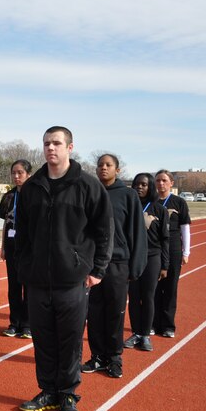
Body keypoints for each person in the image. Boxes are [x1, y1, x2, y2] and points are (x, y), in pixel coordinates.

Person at [15, 126, 112, 411]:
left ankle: (68, 393)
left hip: (73, 278)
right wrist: (24, 267)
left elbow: (104, 231)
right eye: (46, 144)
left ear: (70, 147)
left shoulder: (88, 185)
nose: (50, 148)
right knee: (43, 338)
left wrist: (97, 270)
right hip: (38, 280)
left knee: (69, 340)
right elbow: (23, 234)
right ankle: (47, 391)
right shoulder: (31, 188)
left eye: (56, 143)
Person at [82, 154, 146, 379]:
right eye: (100, 165)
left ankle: (114, 357)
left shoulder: (128, 195)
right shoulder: (91, 192)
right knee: (94, 312)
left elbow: (136, 231)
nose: (103, 169)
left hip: (118, 264)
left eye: (108, 165)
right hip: (92, 264)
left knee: (115, 312)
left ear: (117, 170)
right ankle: (97, 356)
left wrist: (135, 266)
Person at [124, 172, 170, 352]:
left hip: (152, 257)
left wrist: (165, 265)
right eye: (137, 184)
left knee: (148, 296)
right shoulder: (130, 207)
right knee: (134, 297)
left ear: (150, 187)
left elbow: (165, 239)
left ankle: (145, 335)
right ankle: (135, 332)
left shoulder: (160, 209)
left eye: (144, 184)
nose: (140, 187)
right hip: (133, 257)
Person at [153, 169, 192, 338]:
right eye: (158, 180)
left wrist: (186, 252)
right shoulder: (150, 202)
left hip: (173, 248)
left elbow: (185, 228)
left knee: (170, 288)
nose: (161, 183)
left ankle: (168, 326)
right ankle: (153, 324)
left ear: (171, 183)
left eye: (164, 180)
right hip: (154, 250)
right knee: (153, 289)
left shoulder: (178, 202)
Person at [0, 159, 32, 339]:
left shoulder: (35, 195)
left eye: (20, 173)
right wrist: (2, 247)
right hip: (12, 248)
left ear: (28, 174)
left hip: (29, 249)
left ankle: (27, 324)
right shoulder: (9, 196)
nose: (17, 176)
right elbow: (5, 224)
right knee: (13, 287)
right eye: (14, 173)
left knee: (28, 287)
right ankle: (14, 323)